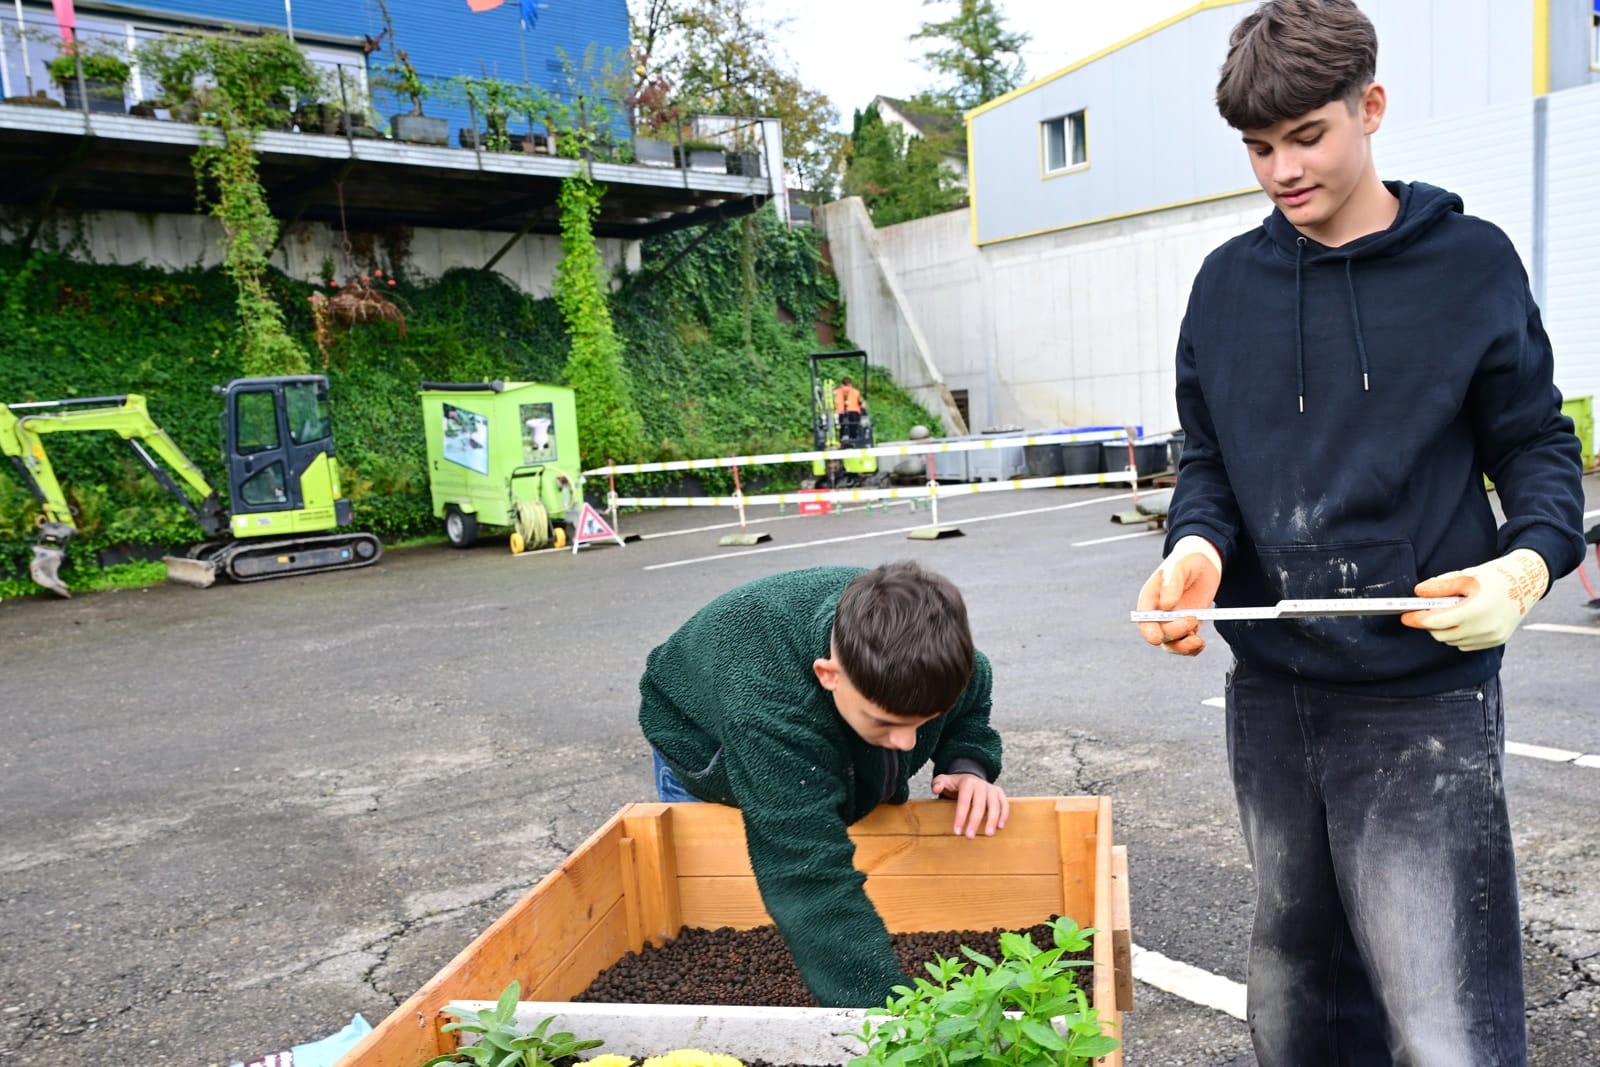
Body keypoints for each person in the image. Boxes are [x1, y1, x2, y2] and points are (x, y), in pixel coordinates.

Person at [1133, 1, 1586, 1063]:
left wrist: (1524, 567)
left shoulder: (1468, 265)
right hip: (1274, 697)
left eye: (1305, 137)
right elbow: (1207, 463)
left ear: (1368, 107)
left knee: (1442, 1014)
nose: (1281, 170)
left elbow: (1535, 447)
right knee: (1298, 999)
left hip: (1422, 692)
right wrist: (1193, 551)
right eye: (1257, 147)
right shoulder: (1224, 288)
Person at [639, 561, 1008, 1008]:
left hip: (803, 729)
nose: (907, 743)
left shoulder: (934, 660)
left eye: (923, 722)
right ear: (828, 674)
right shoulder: (766, 708)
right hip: (706, 742)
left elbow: (969, 706)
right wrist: (890, 1017)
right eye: (887, 722)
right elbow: (806, 872)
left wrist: (968, 764)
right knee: (720, 895)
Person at [833, 375, 864, 447]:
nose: (847, 389)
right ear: (842, 385)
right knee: (840, 422)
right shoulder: (836, 393)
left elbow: (861, 403)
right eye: (846, 386)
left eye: (849, 386)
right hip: (840, 413)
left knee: (853, 421)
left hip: (853, 413)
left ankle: (853, 439)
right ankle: (841, 440)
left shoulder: (856, 392)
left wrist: (862, 405)